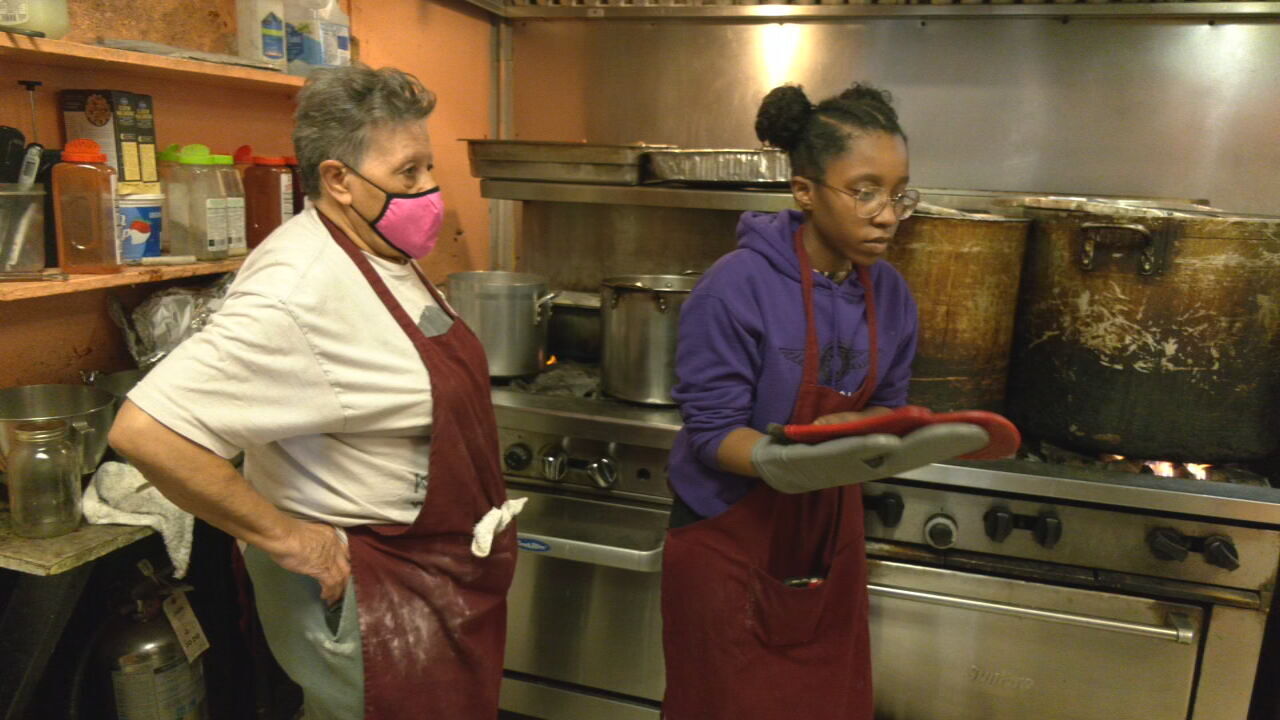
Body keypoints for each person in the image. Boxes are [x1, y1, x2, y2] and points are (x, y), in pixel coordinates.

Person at [108, 64, 522, 720]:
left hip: (433, 577)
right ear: (338, 180)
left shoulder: (375, 243)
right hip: (376, 593)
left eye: (429, 169)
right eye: (409, 172)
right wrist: (289, 537)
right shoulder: (296, 289)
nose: (431, 190)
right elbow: (145, 430)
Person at [660, 83, 990, 720]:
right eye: (864, 191)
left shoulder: (889, 295)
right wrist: (791, 461)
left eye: (898, 194)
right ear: (805, 191)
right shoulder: (735, 287)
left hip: (825, 537)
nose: (887, 214)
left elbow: (886, 403)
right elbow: (711, 432)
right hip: (727, 536)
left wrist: (864, 429)